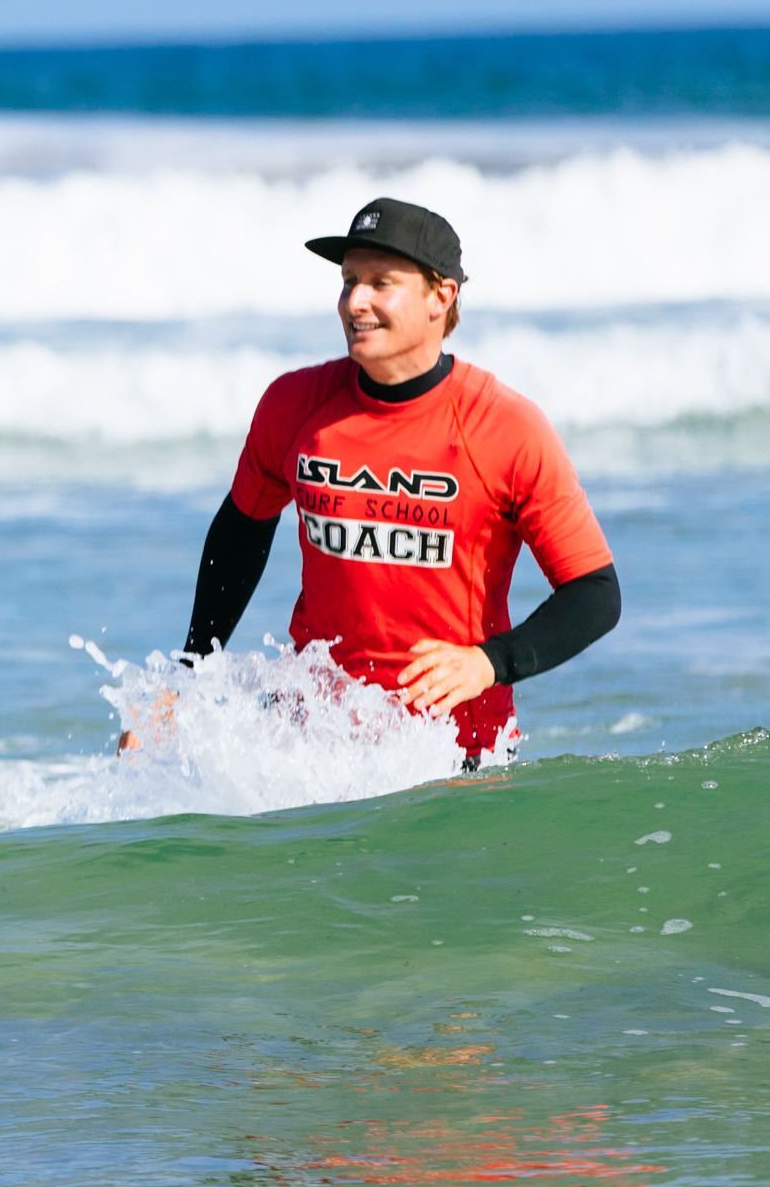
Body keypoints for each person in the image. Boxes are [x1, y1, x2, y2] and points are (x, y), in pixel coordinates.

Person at [162, 197, 619, 771]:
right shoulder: (295, 406)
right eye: (349, 280)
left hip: (454, 757)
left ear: (441, 296)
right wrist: (187, 679)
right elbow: (241, 531)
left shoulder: (504, 428)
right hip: (309, 749)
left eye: (381, 283)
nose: (355, 302)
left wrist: (489, 662)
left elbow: (596, 593)